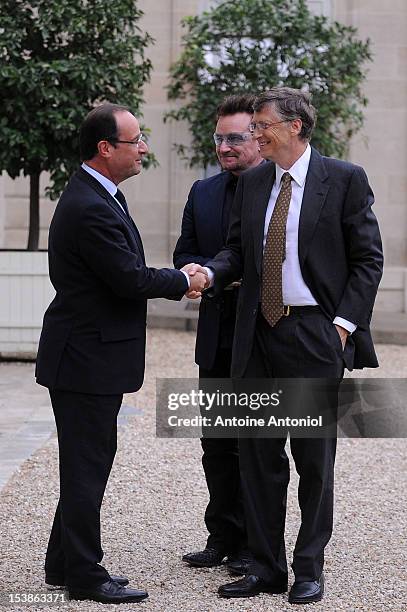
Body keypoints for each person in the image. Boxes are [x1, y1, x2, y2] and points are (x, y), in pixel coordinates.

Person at [196, 87, 383, 604]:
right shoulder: (253, 182)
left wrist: (341, 327)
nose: (254, 134)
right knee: (257, 458)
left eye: (261, 125)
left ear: (295, 126)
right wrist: (209, 273)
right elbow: (236, 251)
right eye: (253, 126)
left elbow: (368, 259)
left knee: (313, 459)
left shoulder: (343, 179)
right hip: (256, 336)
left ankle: (308, 567)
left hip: (312, 335)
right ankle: (264, 566)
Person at [35, 103, 208, 605]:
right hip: (86, 358)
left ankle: (64, 563)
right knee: (87, 467)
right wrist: (184, 280)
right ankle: (86, 576)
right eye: (136, 141)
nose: (144, 149)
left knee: (85, 464)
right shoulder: (91, 205)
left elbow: (122, 269)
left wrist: (179, 279)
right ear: (105, 148)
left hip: (87, 354)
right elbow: (128, 278)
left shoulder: (99, 194)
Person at [173, 95, 263, 574]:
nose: (224, 147)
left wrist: (221, 274)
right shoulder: (201, 193)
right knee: (216, 443)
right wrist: (191, 269)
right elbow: (184, 251)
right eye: (219, 138)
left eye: (235, 138)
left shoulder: (276, 190)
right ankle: (222, 535)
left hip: (262, 336)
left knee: (256, 443)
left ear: (260, 139)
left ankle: (255, 542)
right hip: (215, 334)